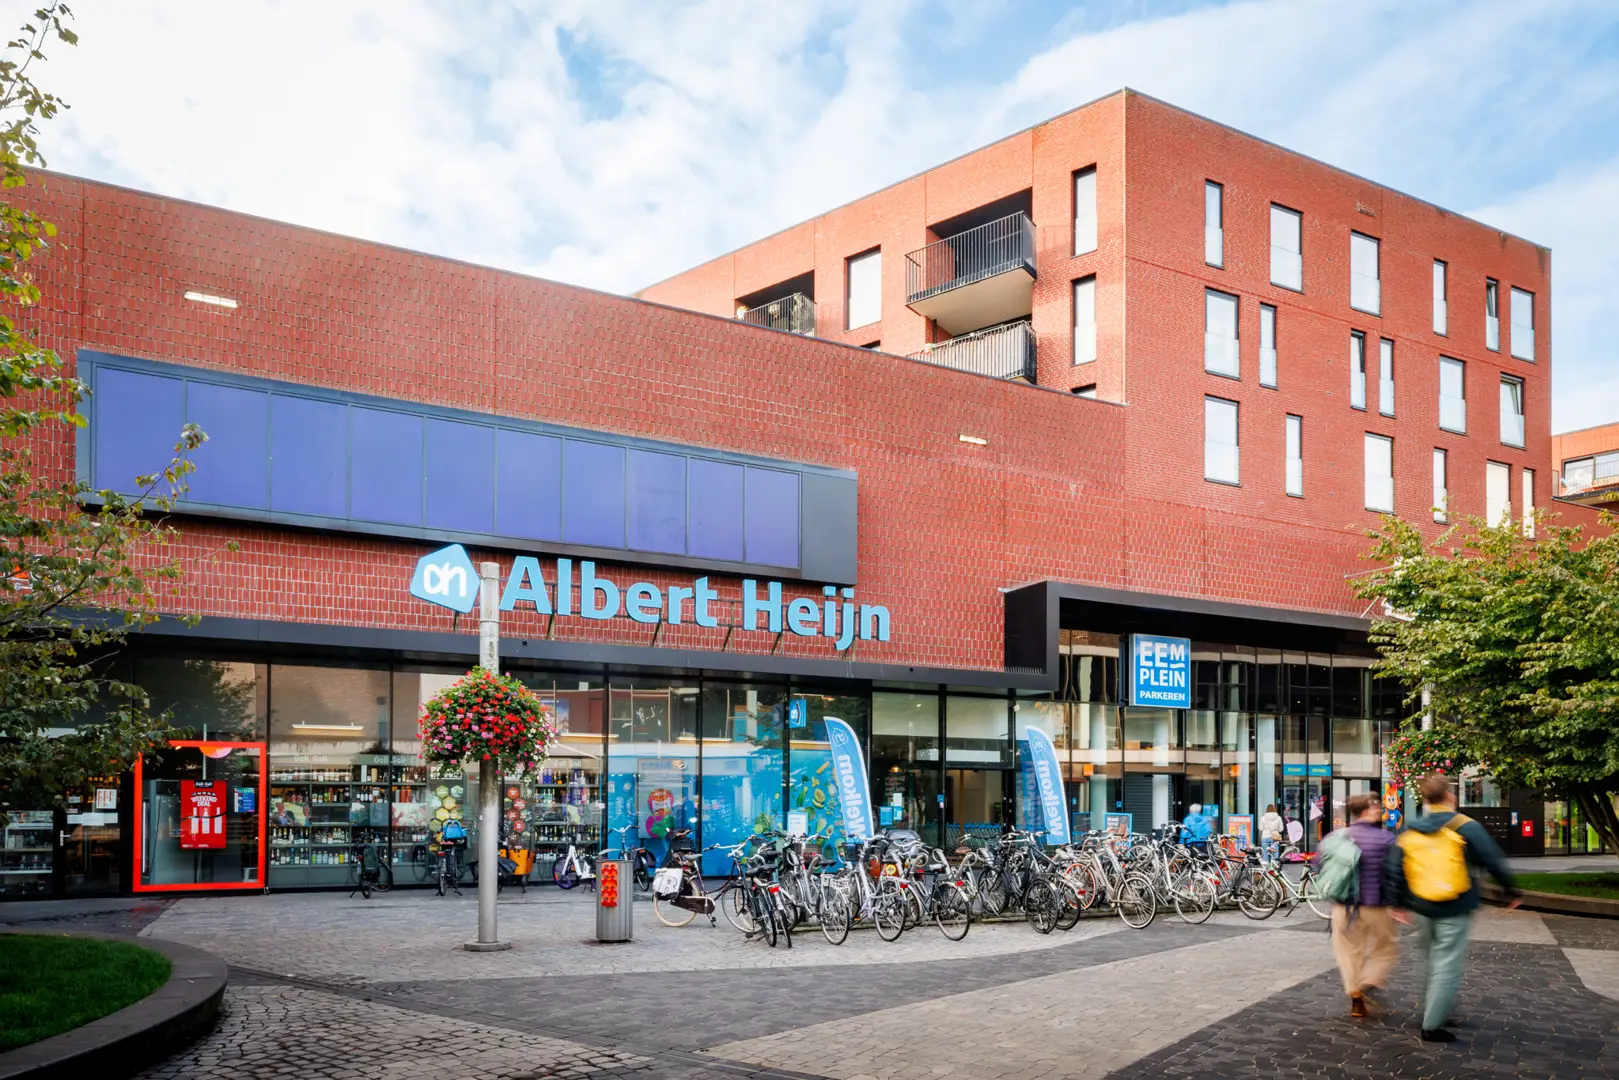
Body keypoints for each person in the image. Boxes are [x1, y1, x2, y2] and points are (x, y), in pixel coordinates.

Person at [1386, 775, 1522, 1043]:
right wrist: (1511, 891)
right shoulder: (1466, 826)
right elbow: (1492, 859)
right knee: (1446, 963)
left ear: (1424, 800)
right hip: (1456, 905)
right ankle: (1433, 1025)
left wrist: (1397, 902)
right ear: (1450, 797)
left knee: (1428, 960)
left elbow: (1394, 868)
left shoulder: (1410, 831)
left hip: (1422, 905)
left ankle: (1431, 1009)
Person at [1314, 792, 1401, 1018]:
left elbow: (1319, 865)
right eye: (1376, 807)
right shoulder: (1385, 838)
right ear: (1367, 811)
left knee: (1348, 953)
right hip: (1376, 907)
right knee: (1385, 948)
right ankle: (1368, 982)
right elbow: (1395, 873)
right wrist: (1399, 904)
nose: (1379, 810)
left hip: (1343, 907)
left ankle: (1355, 995)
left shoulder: (1335, 838)